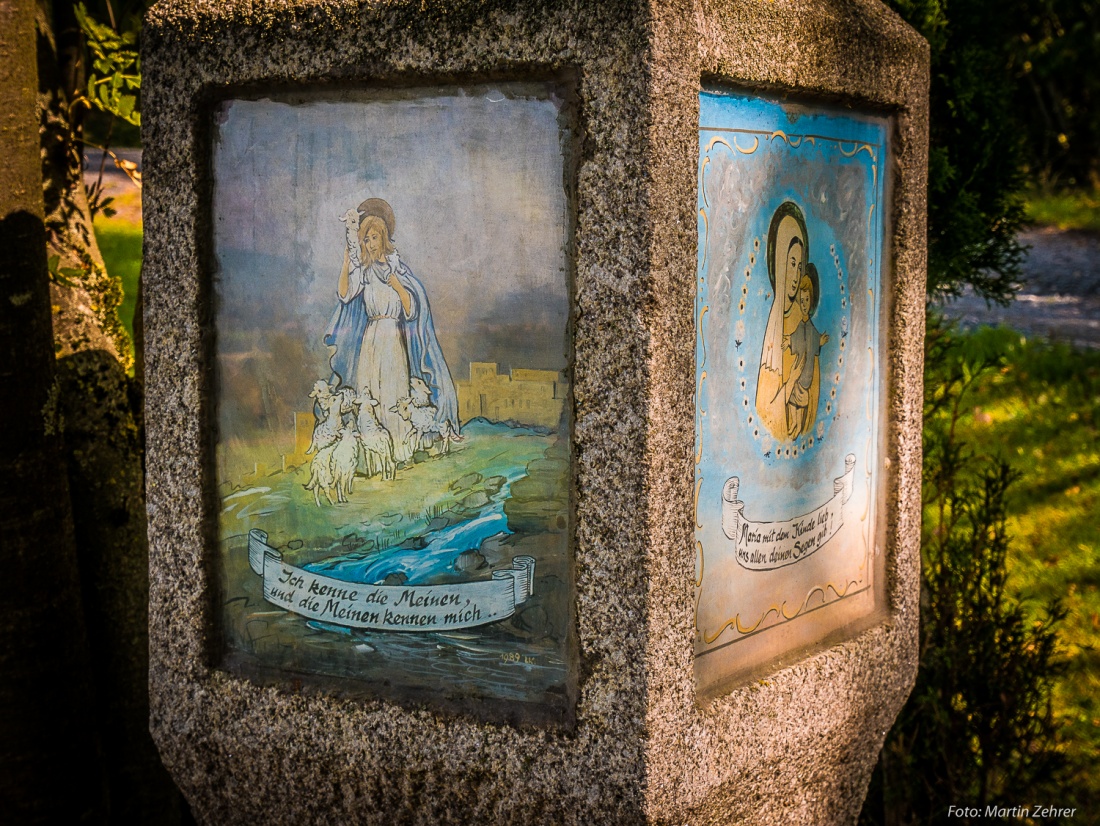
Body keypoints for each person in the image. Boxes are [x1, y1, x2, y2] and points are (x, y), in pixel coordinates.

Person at [323, 198, 459, 464]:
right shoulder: (365, 271)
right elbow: (344, 293)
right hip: (371, 338)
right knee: (368, 392)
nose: (370, 244)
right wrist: (346, 261)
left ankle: (398, 453)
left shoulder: (397, 269)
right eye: (366, 239)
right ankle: (372, 460)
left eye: (374, 238)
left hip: (392, 339)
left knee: (392, 393)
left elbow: (411, 310)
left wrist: (396, 283)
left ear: (383, 238)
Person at [756, 202, 808, 440]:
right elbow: (765, 412)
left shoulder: (802, 322)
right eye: (791, 264)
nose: (796, 275)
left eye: (800, 266)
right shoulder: (773, 329)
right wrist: (791, 381)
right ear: (778, 263)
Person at [784, 268, 828, 439]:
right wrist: (788, 341)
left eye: (806, 300)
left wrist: (820, 341)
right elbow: (796, 338)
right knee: (793, 400)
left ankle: (798, 427)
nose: (803, 304)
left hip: (806, 373)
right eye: (801, 301)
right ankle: (794, 426)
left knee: (801, 401)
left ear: (811, 302)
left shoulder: (810, 327)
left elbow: (812, 340)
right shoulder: (800, 326)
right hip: (798, 371)